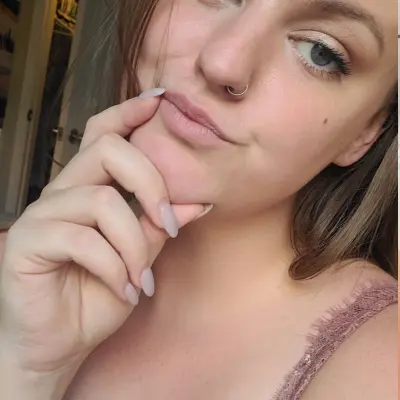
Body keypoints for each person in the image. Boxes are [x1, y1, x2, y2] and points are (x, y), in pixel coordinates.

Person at [0, 0, 397, 399]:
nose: (222, 63)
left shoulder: (378, 368)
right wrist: (25, 367)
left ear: (365, 131)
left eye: (320, 51)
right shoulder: (21, 276)